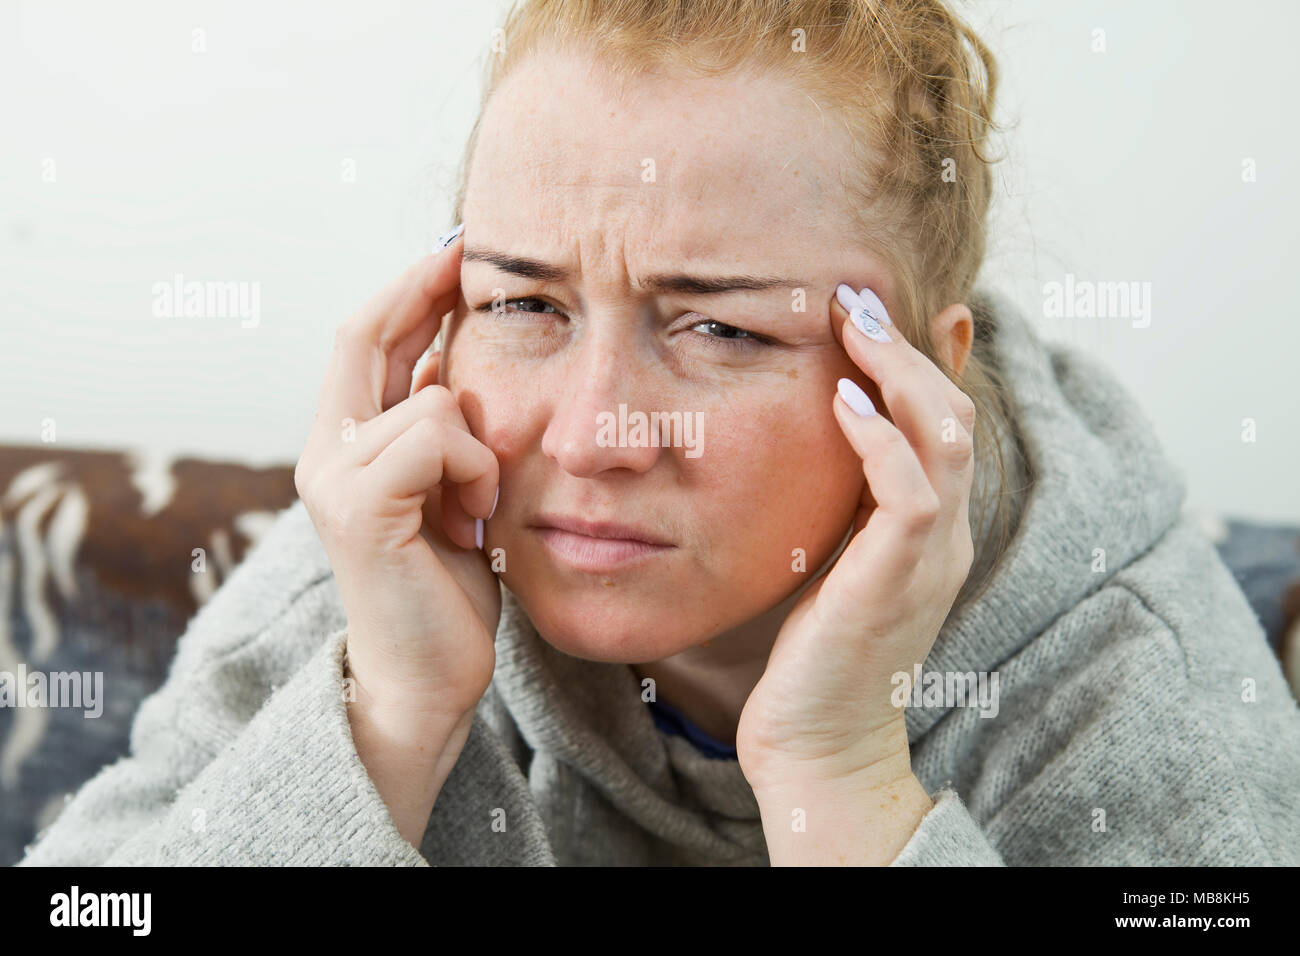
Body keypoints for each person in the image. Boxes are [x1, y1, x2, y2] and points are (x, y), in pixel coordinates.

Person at [19, 0, 1300, 866]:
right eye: (525, 303)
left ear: (925, 379)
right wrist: (391, 714)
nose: (588, 433)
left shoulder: (1135, 684)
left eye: (722, 330)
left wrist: (836, 773)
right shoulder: (403, 540)